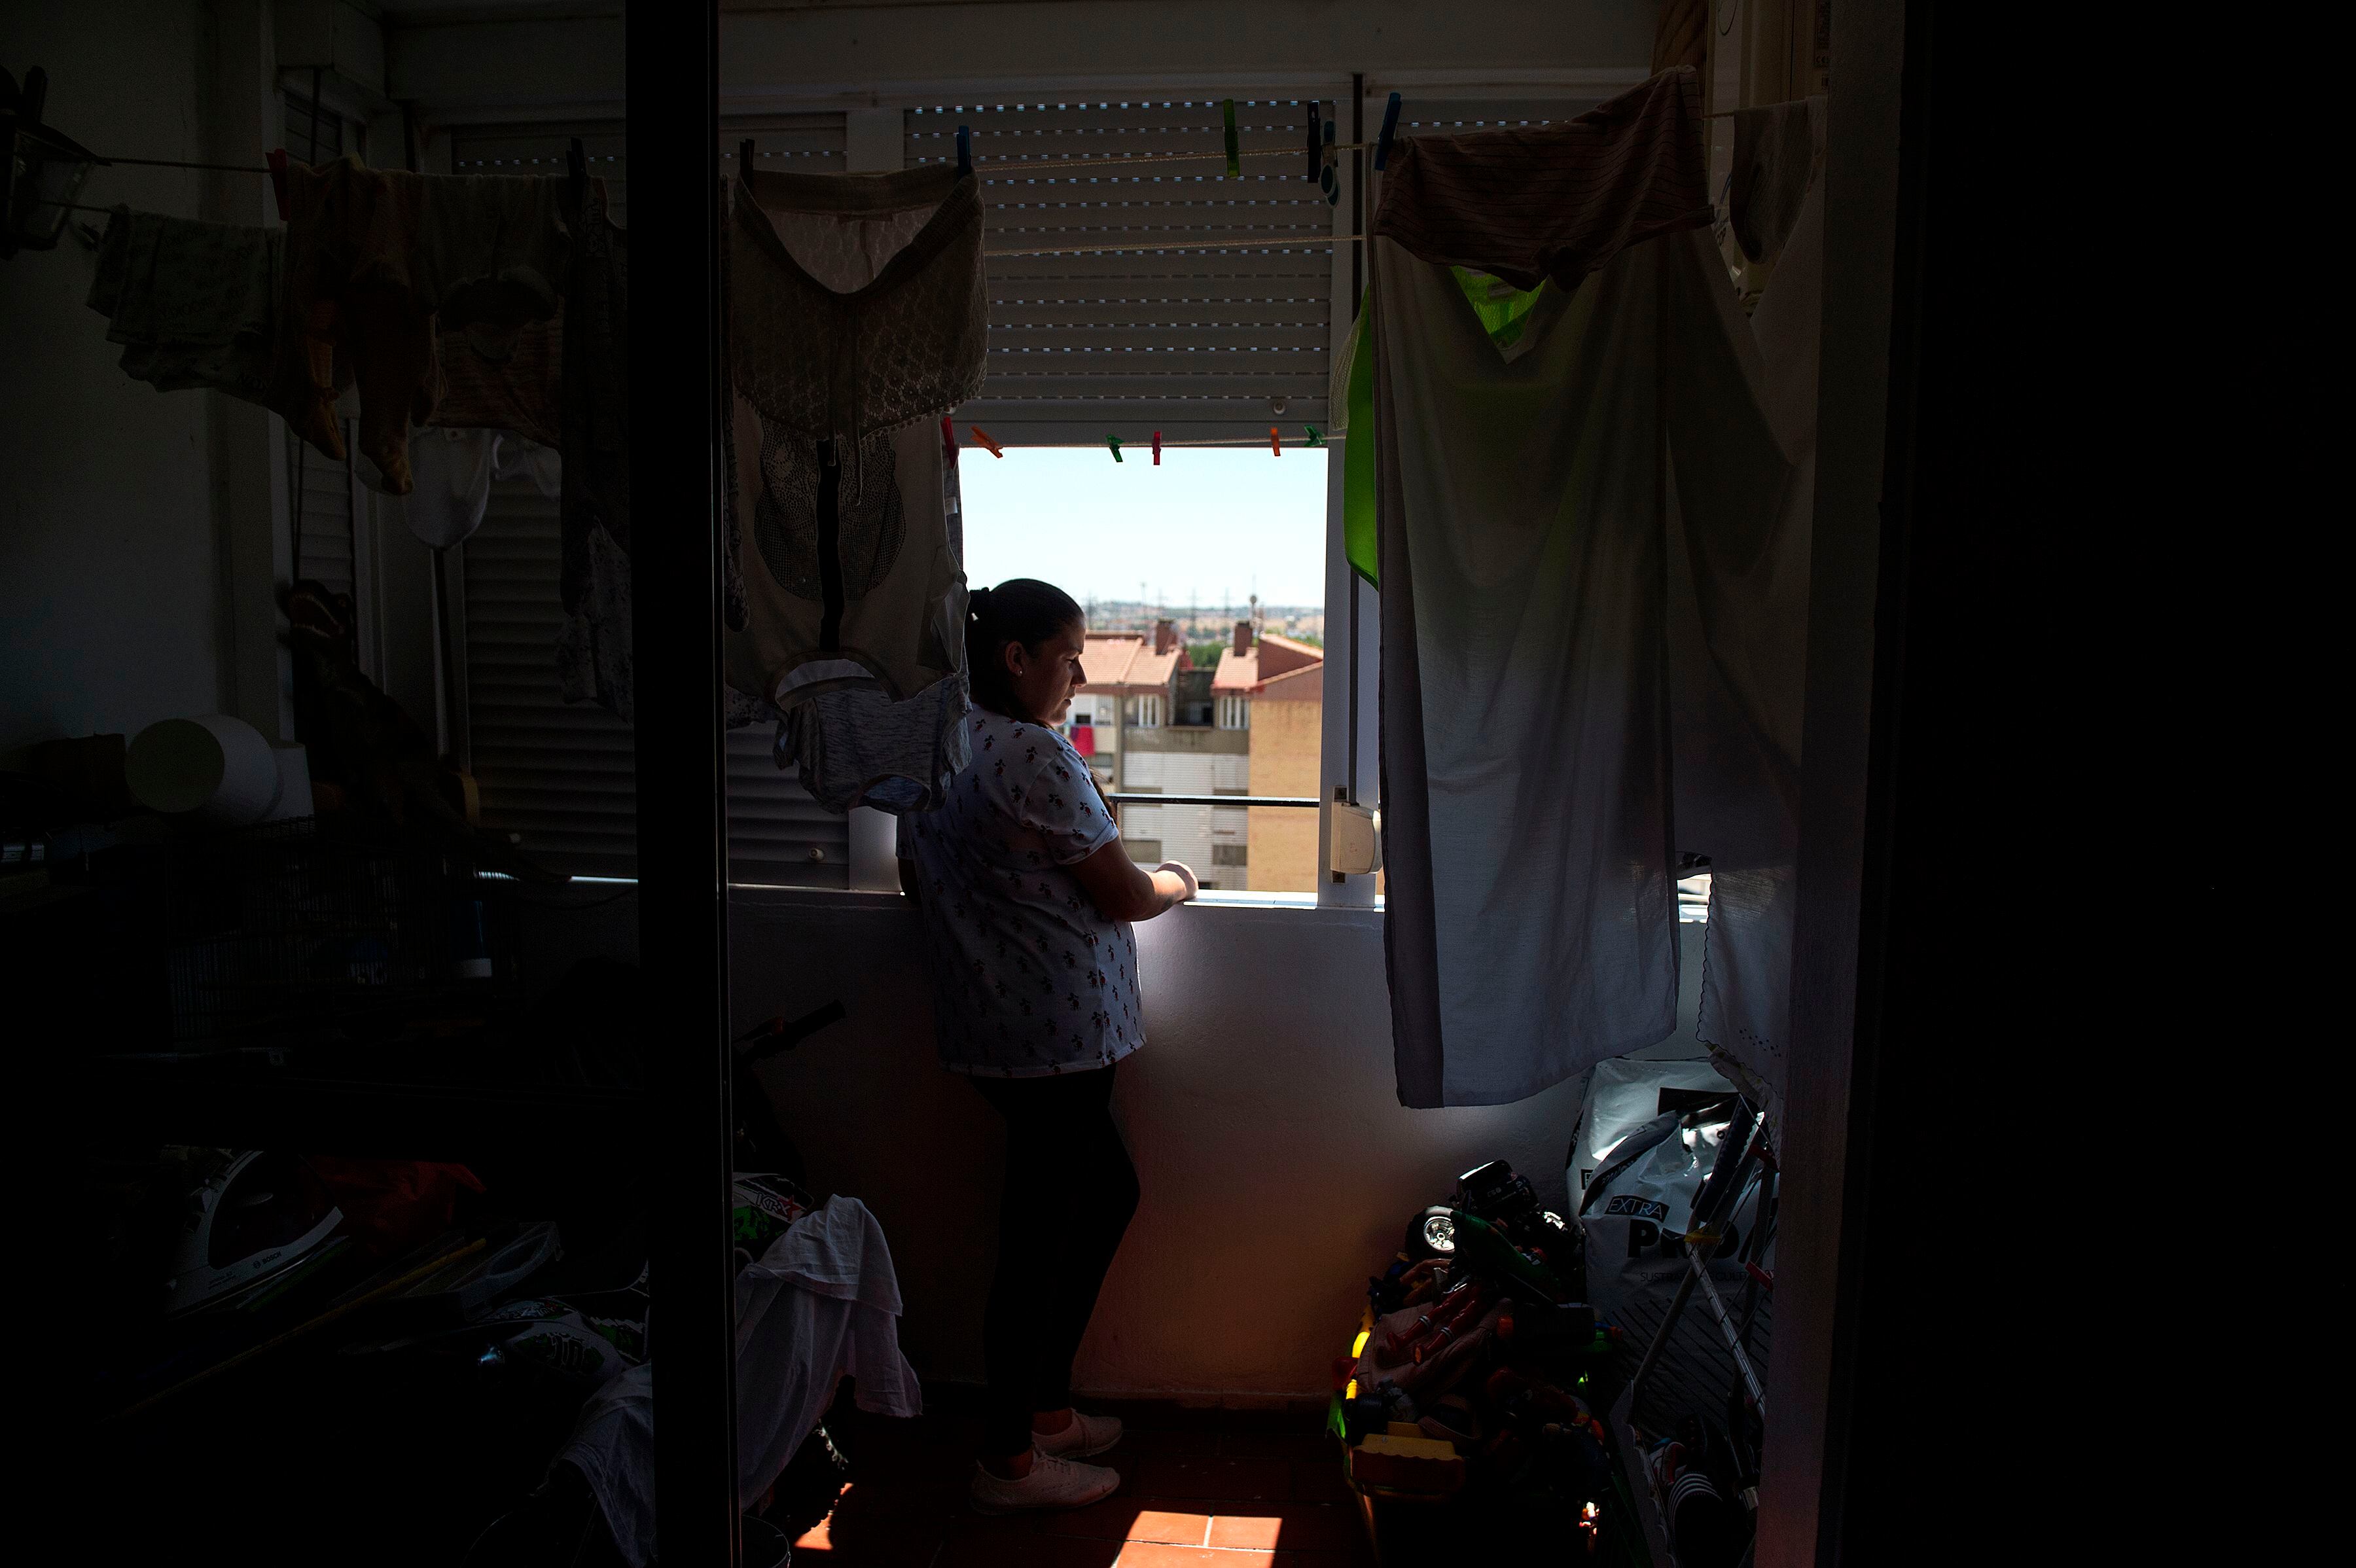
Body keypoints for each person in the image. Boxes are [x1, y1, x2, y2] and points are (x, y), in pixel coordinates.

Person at [897, 578, 1197, 1513]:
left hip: (993, 1030)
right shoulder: (1034, 754)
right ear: (1015, 659)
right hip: (1061, 1041)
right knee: (1036, 1245)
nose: (1077, 673)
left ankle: (1048, 1408)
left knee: (1103, 1195)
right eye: (1066, 656)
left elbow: (921, 883)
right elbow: (1120, 893)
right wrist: (1180, 879)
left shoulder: (938, 743)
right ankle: (1008, 1460)